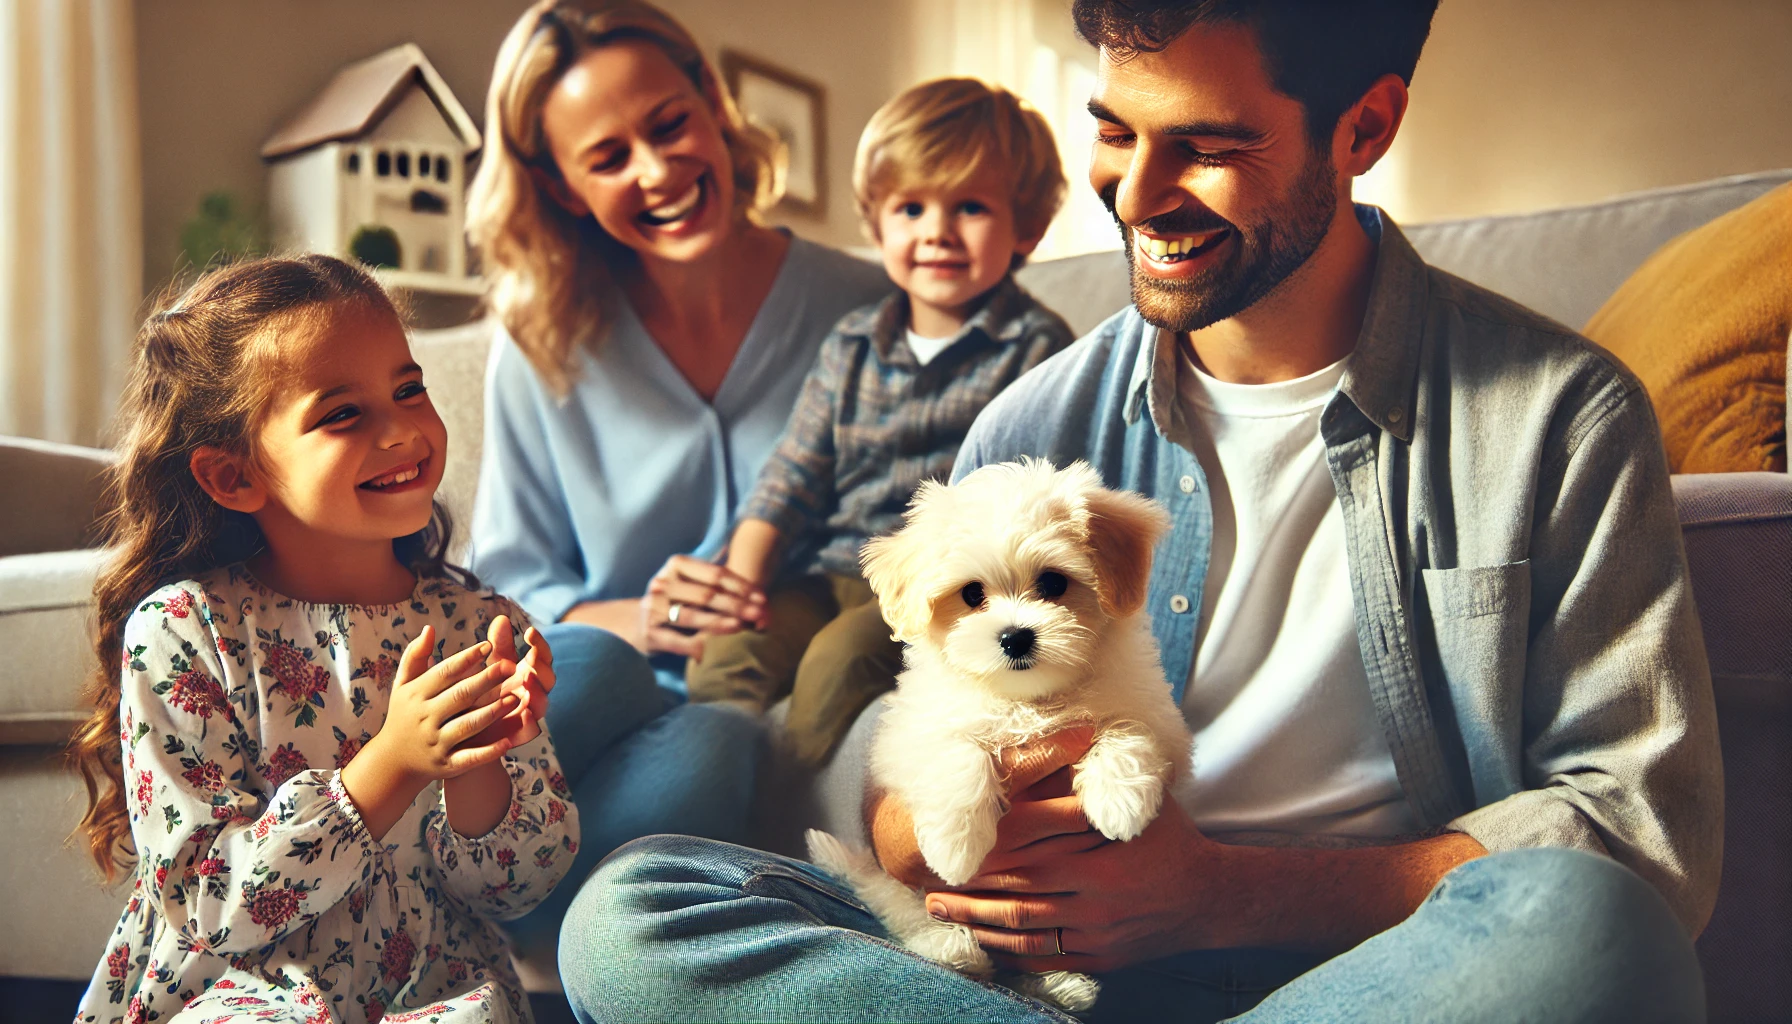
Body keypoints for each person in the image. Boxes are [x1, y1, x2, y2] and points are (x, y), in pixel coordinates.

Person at [555, 2, 1723, 1021]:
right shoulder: (1032, 421)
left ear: (1363, 127)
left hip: (1378, 963)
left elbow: (1642, 832)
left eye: (1208, 146)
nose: (1139, 193)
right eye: (1115, 131)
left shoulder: (1557, 418)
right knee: (629, 913)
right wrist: (930, 832)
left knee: (1593, 927)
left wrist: (1216, 894)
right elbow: (907, 755)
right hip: (1029, 968)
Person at [464, 0, 891, 953]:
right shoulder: (538, 350)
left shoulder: (869, 309)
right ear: (564, 188)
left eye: (668, 125)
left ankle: (499, 931)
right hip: (589, 685)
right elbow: (504, 596)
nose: (657, 173)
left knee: (720, 744)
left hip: (721, 708)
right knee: (593, 663)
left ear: (711, 102)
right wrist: (640, 618)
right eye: (608, 158)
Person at [69, 256, 576, 1024]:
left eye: (409, 389)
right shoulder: (181, 631)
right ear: (234, 477)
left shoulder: (479, 622)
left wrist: (478, 764)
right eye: (344, 414)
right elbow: (211, 905)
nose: (404, 429)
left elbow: (515, 891)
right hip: (238, 989)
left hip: (433, 987)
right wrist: (393, 764)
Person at [685, 77, 1076, 767]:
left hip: (936, 587)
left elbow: (1027, 505)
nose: (936, 231)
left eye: (971, 208)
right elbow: (792, 475)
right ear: (876, 224)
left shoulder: (1038, 348)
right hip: (826, 568)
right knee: (731, 653)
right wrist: (743, 583)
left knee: (836, 664)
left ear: (1029, 227)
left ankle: (789, 806)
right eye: (911, 207)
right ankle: (710, 777)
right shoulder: (852, 344)